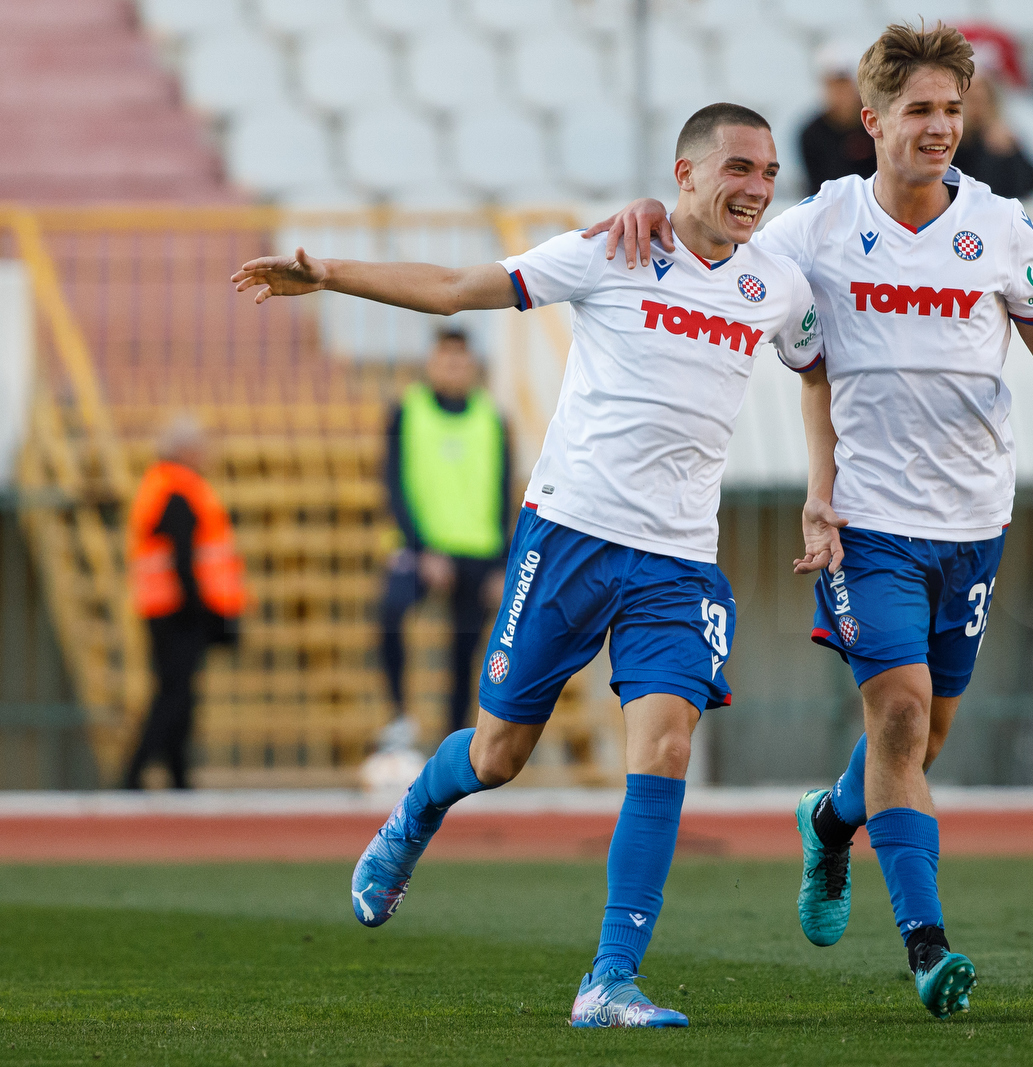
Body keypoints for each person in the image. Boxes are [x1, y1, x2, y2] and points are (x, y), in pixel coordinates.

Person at [231, 102, 821, 1029]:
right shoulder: (610, 249)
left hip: (678, 559)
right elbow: (458, 285)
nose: (756, 187)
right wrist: (331, 274)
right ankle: (418, 811)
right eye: (739, 168)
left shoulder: (779, 285)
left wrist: (822, 490)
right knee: (499, 754)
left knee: (665, 745)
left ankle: (609, 980)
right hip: (570, 538)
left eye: (769, 171)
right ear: (687, 172)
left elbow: (817, 366)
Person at [589, 22, 1033, 1020]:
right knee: (898, 713)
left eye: (952, 111)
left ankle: (831, 820)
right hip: (867, 520)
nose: (939, 128)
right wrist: (650, 210)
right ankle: (929, 948)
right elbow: (715, 233)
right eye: (920, 110)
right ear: (872, 118)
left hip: (973, 517)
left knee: (925, 739)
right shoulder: (819, 226)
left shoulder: (1001, 225)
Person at [377, 327, 512, 755]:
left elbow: (506, 492)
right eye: (445, 359)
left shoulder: (493, 418)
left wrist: (501, 563)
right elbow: (393, 483)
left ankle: (453, 746)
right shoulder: (406, 411)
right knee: (390, 611)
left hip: (478, 552)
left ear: (472, 365)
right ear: (431, 363)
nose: (453, 367)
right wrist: (420, 549)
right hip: (424, 549)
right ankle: (400, 716)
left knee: (465, 653)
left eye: (461, 359)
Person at [124, 416, 245, 789]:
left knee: (178, 694)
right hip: (177, 610)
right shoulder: (177, 489)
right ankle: (133, 775)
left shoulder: (163, 485)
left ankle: (177, 777)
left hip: (165, 607)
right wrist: (203, 611)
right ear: (186, 450)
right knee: (174, 696)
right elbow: (184, 557)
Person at [799, 40, 876, 194]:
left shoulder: (878, 124)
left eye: (843, 83)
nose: (839, 91)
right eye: (832, 84)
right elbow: (815, 189)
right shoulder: (810, 134)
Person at [951, 71, 1033, 200]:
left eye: (983, 101)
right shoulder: (953, 143)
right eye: (972, 101)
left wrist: (1009, 151)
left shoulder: (1001, 137)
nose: (978, 109)